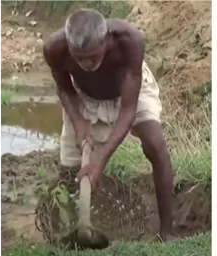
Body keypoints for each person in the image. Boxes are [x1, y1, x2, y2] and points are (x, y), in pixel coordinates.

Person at [42, 8, 174, 241]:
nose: (87, 63)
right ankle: (69, 229)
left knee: (156, 145)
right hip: (84, 96)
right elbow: (64, 88)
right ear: (69, 45)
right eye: (79, 57)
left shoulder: (130, 41)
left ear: (106, 40)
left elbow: (128, 109)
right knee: (70, 167)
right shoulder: (54, 48)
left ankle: (167, 232)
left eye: (93, 56)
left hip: (129, 90)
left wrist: (100, 158)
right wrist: (79, 121)